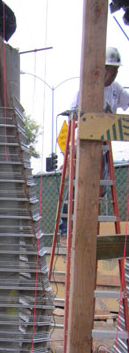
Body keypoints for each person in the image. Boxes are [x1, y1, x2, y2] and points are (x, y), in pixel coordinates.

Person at [59, 47, 129, 243]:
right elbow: (72, 116)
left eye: (116, 71)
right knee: (78, 184)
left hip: (104, 146)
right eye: (110, 70)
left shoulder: (117, 89)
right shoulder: (87, 88)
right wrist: (70, 150)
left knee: (101, 188)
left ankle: (88, 224)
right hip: (84, 145)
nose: (113, 74)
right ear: (102, 68)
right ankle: (66, 228)